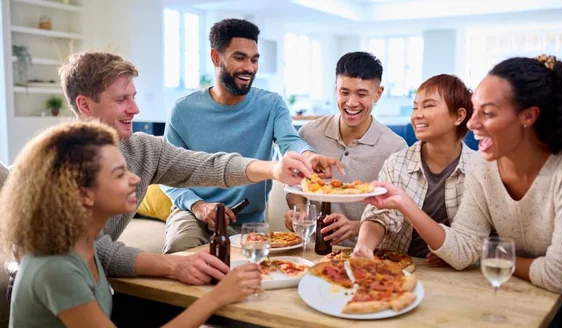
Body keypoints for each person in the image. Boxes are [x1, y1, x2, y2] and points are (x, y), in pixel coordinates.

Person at [358, 55, 562, 327]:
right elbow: (465, 249)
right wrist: (404, 203)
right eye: (475, 111)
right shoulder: (484, 167)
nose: (472, 124)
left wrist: (495, 256)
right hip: (533, 284)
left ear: (528, 116)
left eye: (487, 113)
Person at [55, 51, 340, 285]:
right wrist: (173, 265)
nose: (135, 109)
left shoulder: (141, 148)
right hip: (64, 287)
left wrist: (273, 169)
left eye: (133, 97)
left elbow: (208, 165)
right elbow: (90, 249)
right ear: (85, 105)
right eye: (121, 100)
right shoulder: (61, 165)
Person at [1, 121, 262, 328]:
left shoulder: (82, 243)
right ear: (83, 194)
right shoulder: (56, 267)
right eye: (119, 174)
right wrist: (216, 299)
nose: (135, 179)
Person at [160, 18, 340, 253]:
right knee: (179, 249)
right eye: (240, 58)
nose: (250, 68)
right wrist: (199, 206)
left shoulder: (271, 104)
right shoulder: (184, 111)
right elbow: (167, 173)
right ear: (216, 57)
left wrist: (308, 156)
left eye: (254, 59)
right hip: (195, 215)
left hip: (248, 222)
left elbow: (289, 140)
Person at [284, 52, 407, 246]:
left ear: (378, 94)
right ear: (335, 89)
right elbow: (293, 185)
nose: (351, 103)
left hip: (368, 255)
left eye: (361, 94)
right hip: (312, 249)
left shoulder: (395, 147)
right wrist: (300, 212)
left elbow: (398, 213)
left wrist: (357, 226)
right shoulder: (309, 133)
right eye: (344, 92)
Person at [354, 74, 474, 264]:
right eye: (415, 107)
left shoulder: (478, 171)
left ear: (459, 116)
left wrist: (449, 250)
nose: (417, 115)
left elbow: (477, 241)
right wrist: (364, 245)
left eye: (428, 106)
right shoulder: (396, 163)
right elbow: (379, 215)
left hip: (456, 275)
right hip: (396, 267)